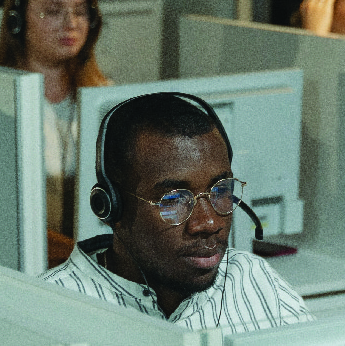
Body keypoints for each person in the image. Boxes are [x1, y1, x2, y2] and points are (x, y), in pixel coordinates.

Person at [41, 92, 314, 333]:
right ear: (111, 207)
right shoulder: (48, 308)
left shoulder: (252, 279)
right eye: (174, 200)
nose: (208, 222)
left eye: (220, 192)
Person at [0, 0, 110, 265]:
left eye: (81, 11)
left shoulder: (105, 100)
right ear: (16, 20)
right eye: (54, 11)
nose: (71, 23)